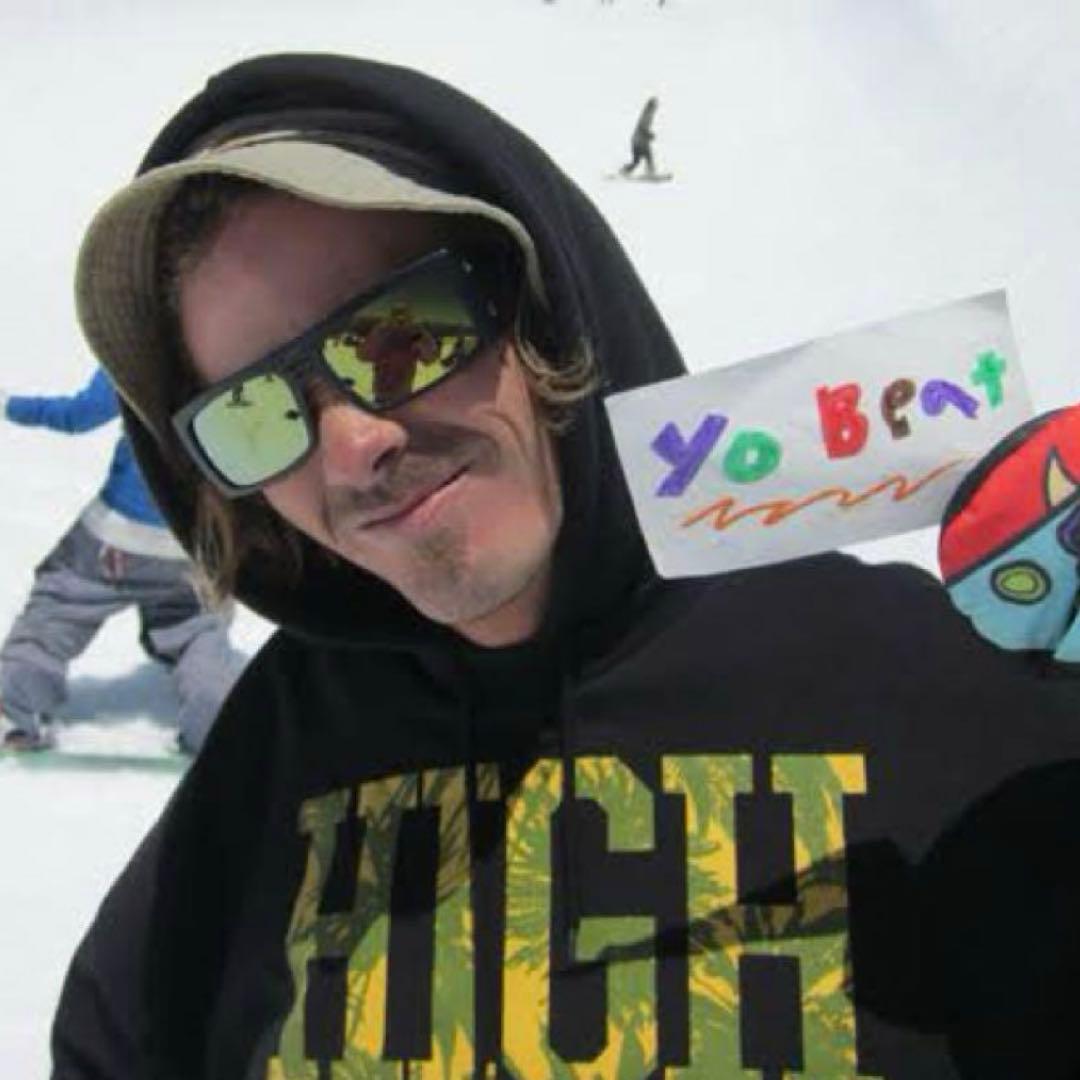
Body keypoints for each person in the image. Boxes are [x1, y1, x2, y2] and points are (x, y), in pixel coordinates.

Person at [50, 54, 1080, 1079]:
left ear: (541, 301)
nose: (351, 444)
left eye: (400, 335)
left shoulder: (924, 682)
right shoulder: (276, 749)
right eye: (254, 414)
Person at [0, 368, 245, 753]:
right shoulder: (241, 360)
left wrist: (10, 405)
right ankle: (215, 727)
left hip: (116, 534)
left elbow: (77, 416)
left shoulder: (133, 350)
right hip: (191, 545)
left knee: (59, 608)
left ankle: (13, 712)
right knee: (195, 630)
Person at [620, 96, 660, 178]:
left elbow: (643, 128)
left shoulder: (648, 113)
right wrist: (649, 135)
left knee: (638, 161)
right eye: (654, 106)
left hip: (640, 141)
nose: (656, 108)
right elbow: (642, 127)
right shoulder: (647, 114)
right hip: (639, 142)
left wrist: (648, 135)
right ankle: (650, 173)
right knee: (647, 159)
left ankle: (624, 171)